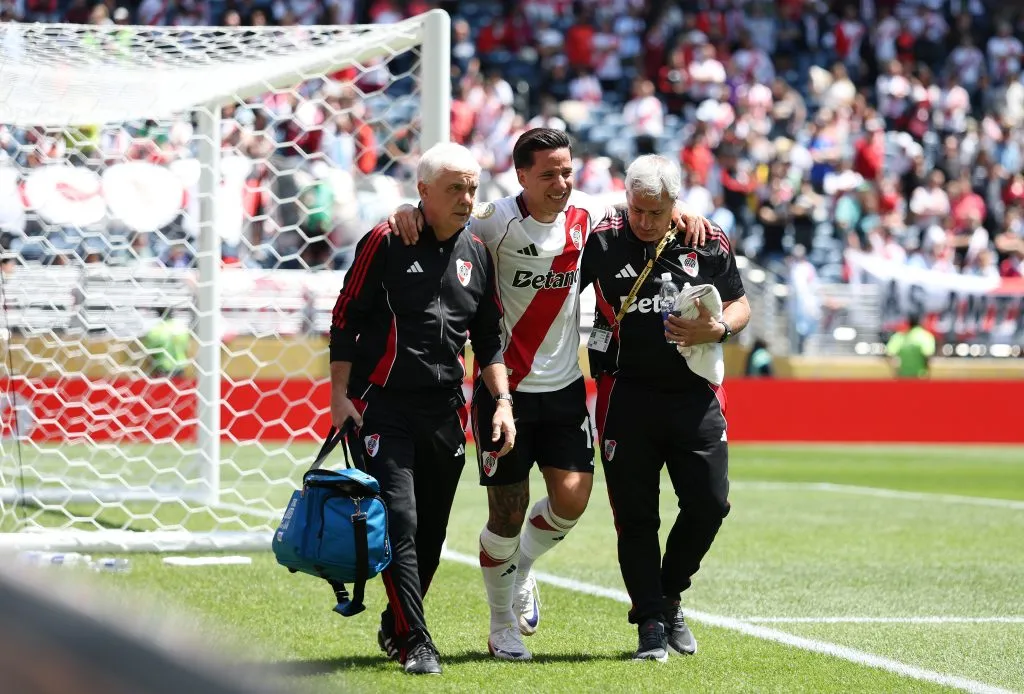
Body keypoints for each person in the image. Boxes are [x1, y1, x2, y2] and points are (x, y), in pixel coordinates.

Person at [388, 129, 712, 661]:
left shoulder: (591, 216)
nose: (562, 182)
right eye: (548, 174)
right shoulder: (492, 222)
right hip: (504, 391)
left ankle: (522, 569)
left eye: (567, 171)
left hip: (564, 387)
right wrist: (406, 208)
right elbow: (438, 215)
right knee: (507, 513)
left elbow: (645, 211)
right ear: (521, 176)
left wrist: (685, 215)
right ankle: (500, 626)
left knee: (573, 498)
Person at [328, 142, 516, 676]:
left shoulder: (478, 251)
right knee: (401, 520)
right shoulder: (387, 240)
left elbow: (489, 337)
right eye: (454, 188)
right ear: (423, 192)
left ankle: (397, 621)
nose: (466, 198)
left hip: (446, 411)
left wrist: (501, 402)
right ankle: (417, 641)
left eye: (473, 187)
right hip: (382, 406)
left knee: (431, 531)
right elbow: (345, 316)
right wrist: (339, 395)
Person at [580, 154, 751, 662]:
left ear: (676, 204)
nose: (646, 222)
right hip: (624, 393)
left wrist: (719, 328)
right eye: (637, 210)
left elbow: (740, 303)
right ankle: (650, 621)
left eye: (656, 212)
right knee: (635, 519)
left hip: (695, 393)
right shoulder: (606, 237)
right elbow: (562, 285)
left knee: (710, 504)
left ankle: (670, 593)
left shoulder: (707, 238)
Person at [141, 305, 189, 377]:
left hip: (163, 367)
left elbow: (148, 348)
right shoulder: (182, 327)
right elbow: (186, 346)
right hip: (180, 366)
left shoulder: (156, 330)